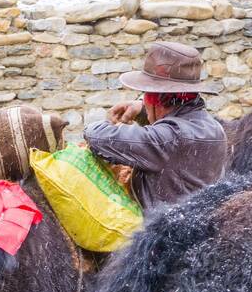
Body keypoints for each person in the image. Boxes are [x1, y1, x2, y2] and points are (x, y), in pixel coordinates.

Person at [83, 42, 229, 212]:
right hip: (199, 231)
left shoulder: (170, 138)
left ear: (153, 99)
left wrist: (105, 122)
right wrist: (142, 109)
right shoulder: (213, 127)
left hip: (166, 235)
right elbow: (167, 137)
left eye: (144, 95)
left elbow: (98, 136)